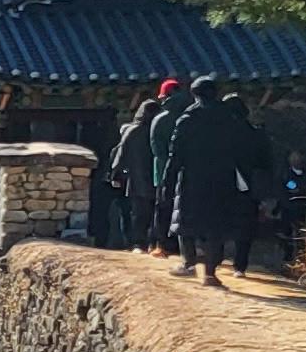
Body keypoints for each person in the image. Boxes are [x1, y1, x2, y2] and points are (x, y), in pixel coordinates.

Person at [166, 79, 258, 286]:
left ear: (194, 94)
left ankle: (188, 263)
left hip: (192, 178)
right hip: (222, 178)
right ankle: (210, 272)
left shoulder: (187, 119)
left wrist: (168, 180)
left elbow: (175, 154)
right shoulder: (230, 120)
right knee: (216, 226)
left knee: (185, 221)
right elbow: (241, 152)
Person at [110, 80, 175, 250]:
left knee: (139, 214)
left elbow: (121, 154)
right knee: (158, 212)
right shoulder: (161, 128)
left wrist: (115, 175)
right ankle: (156, 243)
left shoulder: (133, 131)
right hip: (158, 177)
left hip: (137, 179)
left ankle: (138, 243)